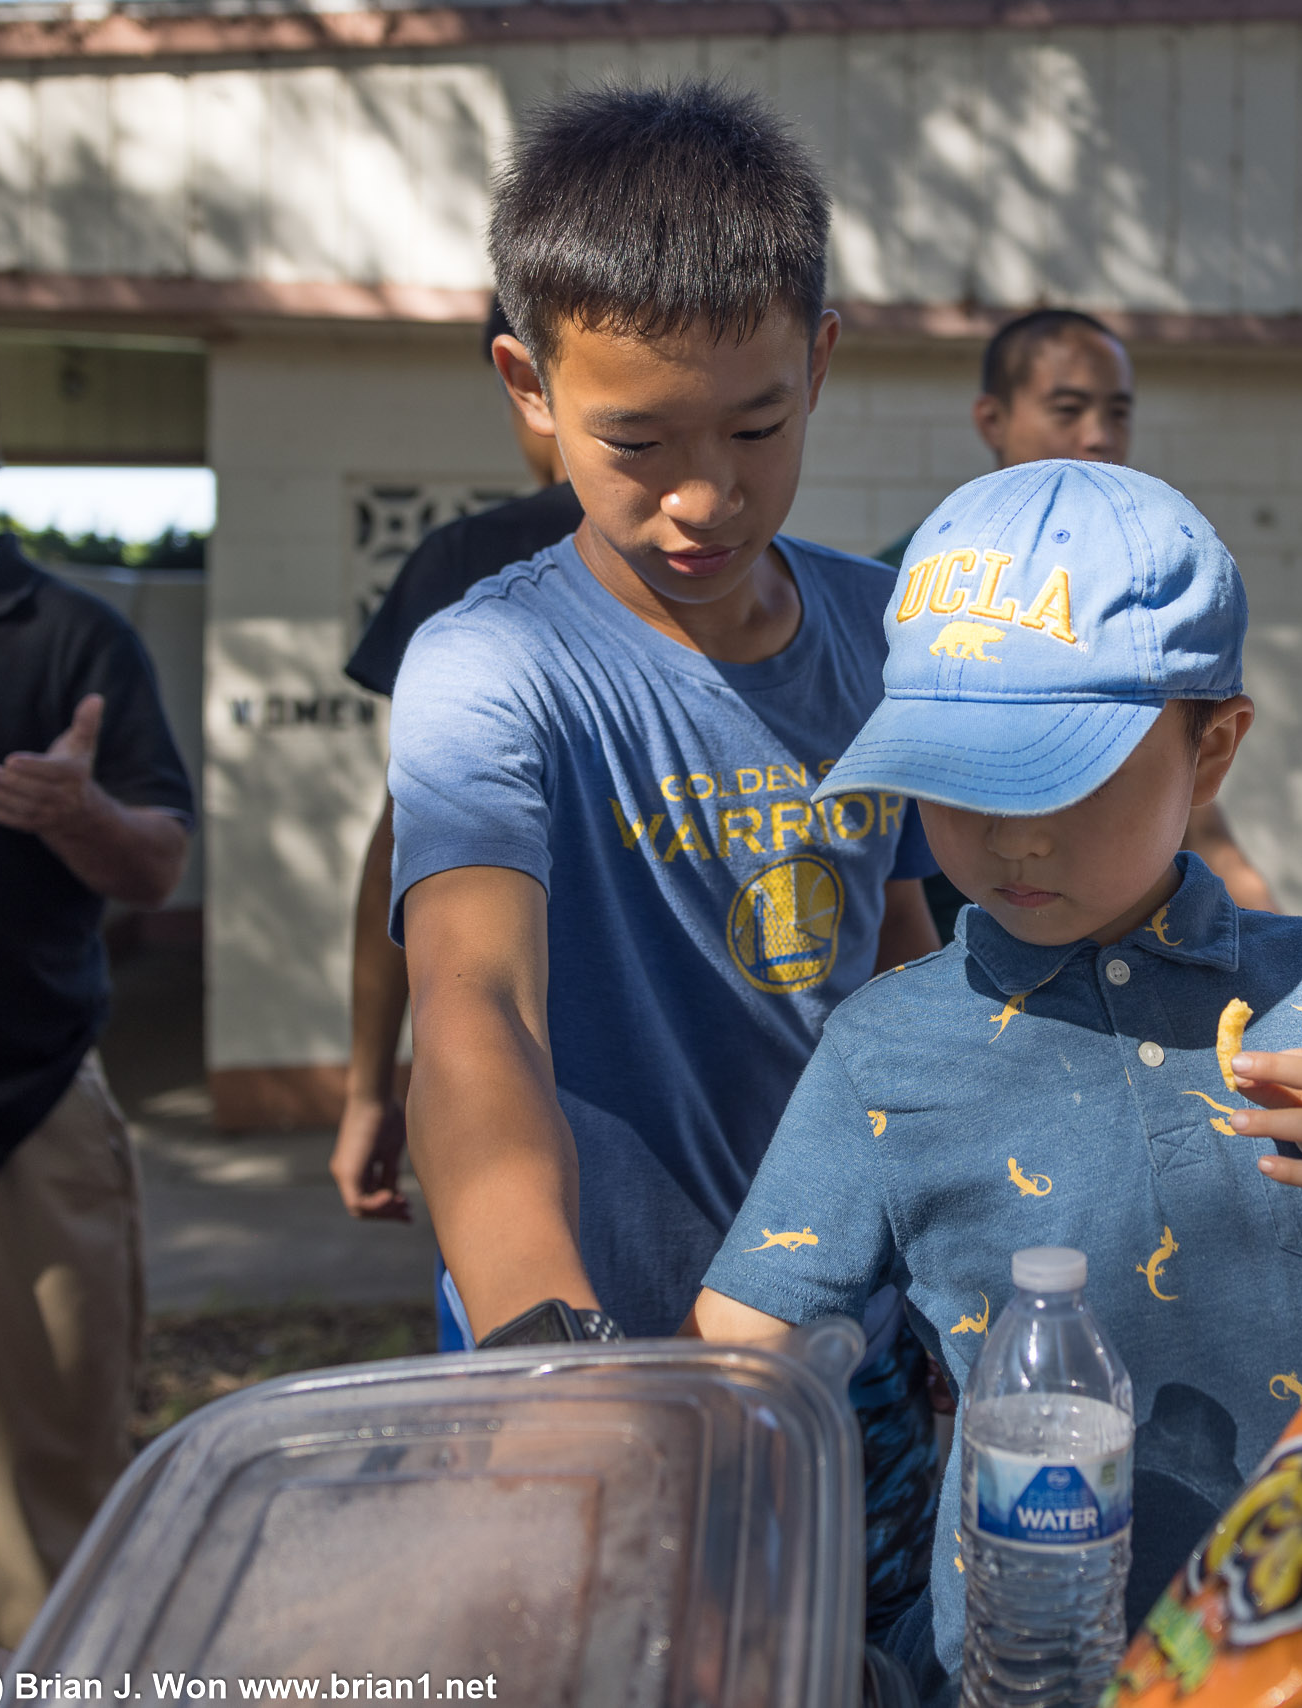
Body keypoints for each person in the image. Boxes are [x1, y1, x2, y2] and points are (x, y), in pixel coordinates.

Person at [688, 458, 1302, 1700]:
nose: (1014, 835)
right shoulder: (882, 1048)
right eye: (965, 780)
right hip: (1035, 1669)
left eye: (1067, 776)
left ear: (1215, 748)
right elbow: (736, 1354)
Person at [385, 85, 943, 1628]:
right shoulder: (490, 670)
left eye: (758, 427)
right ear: (529, 388)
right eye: (637, 440)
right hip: (583, 1348)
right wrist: (538, 1350)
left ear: (821, 361)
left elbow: (895, 951)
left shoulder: (882, 637)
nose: (706, 496)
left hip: (841, 1345)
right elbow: (475, 1004)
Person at [0, 339, 194, 1646]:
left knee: (45, 1517)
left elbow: (158, 861)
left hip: (18, 1117)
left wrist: (77, 812)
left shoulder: (70, 638)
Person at [888, 308, 1276, 936]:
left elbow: (1177, 753)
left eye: (1117, 412)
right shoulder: (916, 585)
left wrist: (1243, 890)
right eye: (1067, 409)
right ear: (992, 418)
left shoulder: (1136, 571)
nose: (1097, 435)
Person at [333, 301, 583, 1238]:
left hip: (522, 1116)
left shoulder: (466, 562)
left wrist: (371, 1084)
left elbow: (400, 841)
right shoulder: (741, 566)